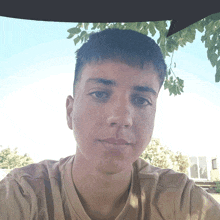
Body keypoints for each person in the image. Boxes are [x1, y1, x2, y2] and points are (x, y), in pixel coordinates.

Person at [0, 28, 220, 220]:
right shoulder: (23, 196)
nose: (122, 118)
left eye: (141, 100)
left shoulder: (180, 200)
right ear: (70, 111)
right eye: (100, 94)